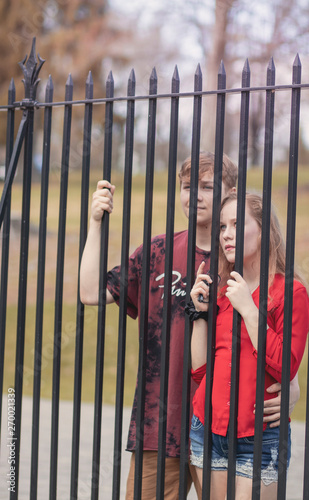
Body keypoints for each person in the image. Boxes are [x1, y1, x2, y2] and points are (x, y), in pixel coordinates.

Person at [80, 153, 298, 499]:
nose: (194, 194)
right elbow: (90, 292)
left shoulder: (241, 260)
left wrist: (291, 387)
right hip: (159, 426)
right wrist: (95, 223)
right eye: (187, 186)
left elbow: (273, 328)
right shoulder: (157, 251)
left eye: (208, 187)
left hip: (226, 430)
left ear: (231, 193)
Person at [189, 192, 309, 499]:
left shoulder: (291, 292)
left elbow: (285, 366)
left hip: (261, 438)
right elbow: (200, 373)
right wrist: (200, 315)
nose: (226, 234)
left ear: (264, 231)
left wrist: (249, 309)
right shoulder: (221, 289)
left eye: (236, 224)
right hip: (207, 429)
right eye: (222, 227)